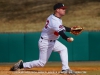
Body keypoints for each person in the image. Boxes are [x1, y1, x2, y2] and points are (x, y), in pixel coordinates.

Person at [10, 3, 76, 75]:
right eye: (62, 9)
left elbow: (61, 27)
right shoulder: (54, 20)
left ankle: (65, 69)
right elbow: (61, 32)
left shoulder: (54, 17)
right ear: (57, 10)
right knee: (41, 63)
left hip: (52, 41)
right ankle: (21, 65)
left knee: (63, 49)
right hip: (45, 42)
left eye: (64, 9)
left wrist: (71, 29)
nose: (64, 10)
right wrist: (67, 38)